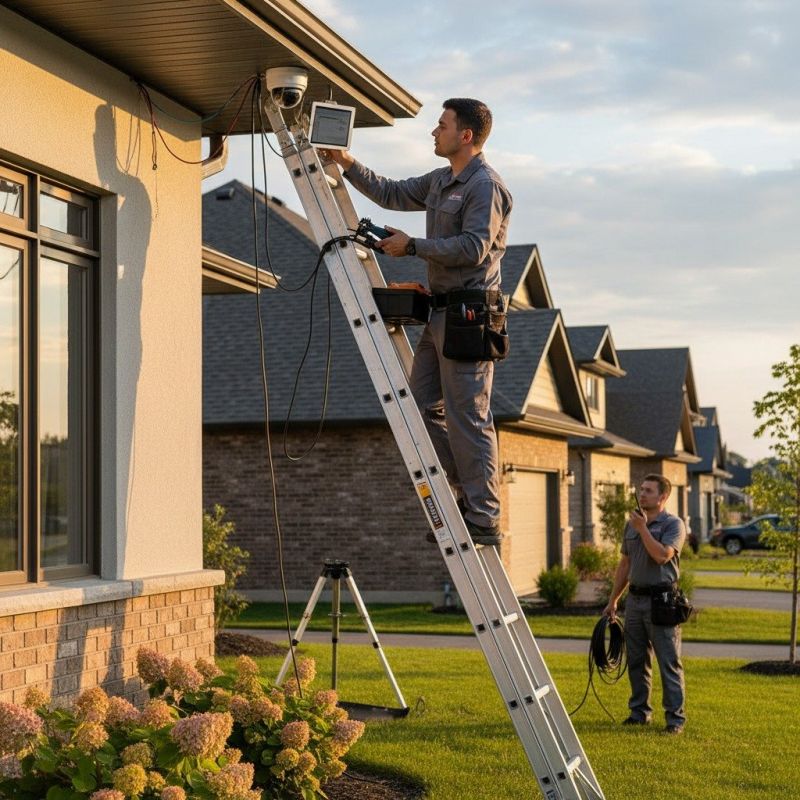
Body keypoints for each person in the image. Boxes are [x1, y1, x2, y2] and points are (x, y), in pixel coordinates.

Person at [320, 98, 512, 547]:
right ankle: (465, 494)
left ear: (465, 135)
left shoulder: (485, 186)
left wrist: (411, 247)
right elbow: (391, 191)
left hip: (471, 314)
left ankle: (484, 516)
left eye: (441, 125)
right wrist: (346, 162)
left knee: (470, 416)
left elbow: (473, 249)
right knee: (418, 404)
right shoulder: (441, 180)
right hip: (441, 311)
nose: (433, 131)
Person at [604, 474, 687, 734]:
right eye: (641, 489)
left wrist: (642, 529)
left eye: (649, 491)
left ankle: (675, 720)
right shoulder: (632, 525)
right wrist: (613, 600)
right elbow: (625, 564)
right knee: (637, 661)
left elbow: (663, 556)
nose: (642, 494)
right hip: (635, 602)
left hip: (662, 602)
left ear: (663, 497)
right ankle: (639, 713)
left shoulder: (673, 525)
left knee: (668, 662)